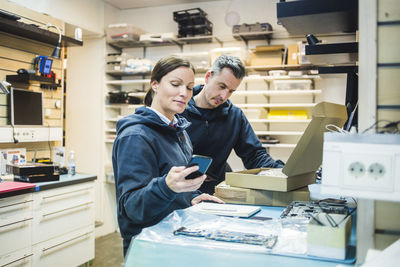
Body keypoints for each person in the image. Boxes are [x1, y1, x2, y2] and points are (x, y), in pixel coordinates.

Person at [112, 55, 223, 256]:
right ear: (155, 84)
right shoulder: (136, 136)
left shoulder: (179, 131)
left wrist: (192, 197)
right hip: (148, 246)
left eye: (189, 87)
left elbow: (173, 191)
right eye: (175, 84)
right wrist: (166, 186)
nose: (184, 93)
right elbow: (133, 207)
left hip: (175, 237)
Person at [181, 55, 285, 194]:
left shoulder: (235, 116)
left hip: (215, 192)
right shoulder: (178, 110)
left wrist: (283, 171)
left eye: (231, 91)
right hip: (178, 190)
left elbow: (254, 155)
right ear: (208, 77)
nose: (224, 96)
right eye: (222, 86)